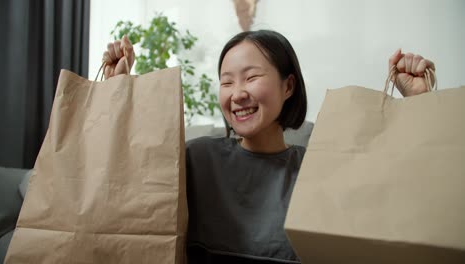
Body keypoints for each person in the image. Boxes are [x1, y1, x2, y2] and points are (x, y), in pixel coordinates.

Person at [102, 30, 435, 263]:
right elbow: (124, 189)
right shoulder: (196, 158)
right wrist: (117, 90)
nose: (237, 93)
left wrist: (418, 104)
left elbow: (401, 201)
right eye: (227, 81)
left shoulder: (319, 168)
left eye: (251, 77)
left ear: (288, 85)